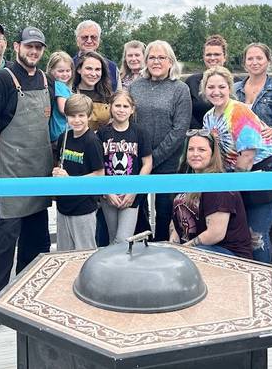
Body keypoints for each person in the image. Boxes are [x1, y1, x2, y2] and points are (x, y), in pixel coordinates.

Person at [0, 26, 54, 339]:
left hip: (40, 174)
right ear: (17, 46)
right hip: (11, 175)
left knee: (37, 243)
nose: (33, 52)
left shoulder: (45, 80)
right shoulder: (2, 80)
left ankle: (25, 301)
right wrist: (3, 165)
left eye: (39, 48)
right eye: (29, 46)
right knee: (4, 243)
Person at [200, 66, 272, 263]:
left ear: (229, 88)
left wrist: (230, 192)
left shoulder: (238, 111)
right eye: (211, 87)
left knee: (255, 234)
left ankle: (264, 280)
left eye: (221, 86)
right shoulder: (208, 117)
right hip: (237, 177)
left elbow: (247, 156)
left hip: (267, 172)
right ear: (204, 89)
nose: (216, 91)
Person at [129, 40, 192, 242]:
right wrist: (143, 159)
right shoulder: (135, 87)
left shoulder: (180, 89)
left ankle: (164, 248)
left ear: (170, 61)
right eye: (152, 57)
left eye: (161, 57)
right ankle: (142, 246)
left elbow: (180, 129)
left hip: (169, 162)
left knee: (165, 211)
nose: (156, 61)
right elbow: (129, 122)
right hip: (138, 160)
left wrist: (153, 159)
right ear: (146, 61)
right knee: (137, 209)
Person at [170, 130, 253, 259]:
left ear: (212, 154)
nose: (195, 154)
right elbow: (177, 219)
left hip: (229, 254)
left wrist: (183, 251)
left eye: (201, 150)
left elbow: (216, 233)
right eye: (191, 149)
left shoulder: (218, 185)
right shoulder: (186, 180)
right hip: (195, 248)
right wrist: (173, 247)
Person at [98, 91, 153, 243]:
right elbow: (98, 166)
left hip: (131, 194)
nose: (121, 110)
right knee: (112, 236)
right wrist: (107, 192)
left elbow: (147, 163)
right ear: (110, 107)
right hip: (109, 194)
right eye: (117, 105)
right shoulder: (102, 133)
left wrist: (134, 190)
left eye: (125, 106)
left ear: (132, 109)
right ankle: (115, 267)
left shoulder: (140, 132)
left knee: (122, 239)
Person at [52, 94, 105, 251]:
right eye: (72, 116)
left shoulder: (92, 141)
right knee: (63, 251)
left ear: (88, 116)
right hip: (64, 205)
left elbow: (99, 174)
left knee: (84, 251)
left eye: (81, 115)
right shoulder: (64, 137)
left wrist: (71, 180)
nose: (77, 120)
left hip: (83, 207)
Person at [233, 43, 272, 151]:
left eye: (259, 58)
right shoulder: (233, 90)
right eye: (250, 59)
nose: (254, 62)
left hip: (268, 154)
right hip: (238, 153)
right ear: (244, 63)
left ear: (268, 61)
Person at [185, 35, 227, 129]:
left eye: (217, 54)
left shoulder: (237, 84)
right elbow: (186, 114)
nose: (212, 58)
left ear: (224, 57)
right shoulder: (191, 82)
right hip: (198, 137)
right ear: (203, 57)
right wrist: (204, 135)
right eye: (208, 54)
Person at [73, 51, 113, 131]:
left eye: (97, 69)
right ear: (79, 70)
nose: (93, 74)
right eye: (89, 68)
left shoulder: (108, 96)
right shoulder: (70, 93)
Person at [73, 20, 119, 90]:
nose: (89, 41)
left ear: (99, 40)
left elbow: (119, 96)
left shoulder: (112, 68)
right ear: (77, 41)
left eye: (93, 37)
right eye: (84, 37)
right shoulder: (68, 67)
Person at [46, 51, 74, 159]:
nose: (65, 74)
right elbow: (63, 109)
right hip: (61, 134)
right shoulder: (59, 85)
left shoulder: (62, 86)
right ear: (51, 71)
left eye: (68, 70)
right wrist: (79, 111)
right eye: (60, 71)